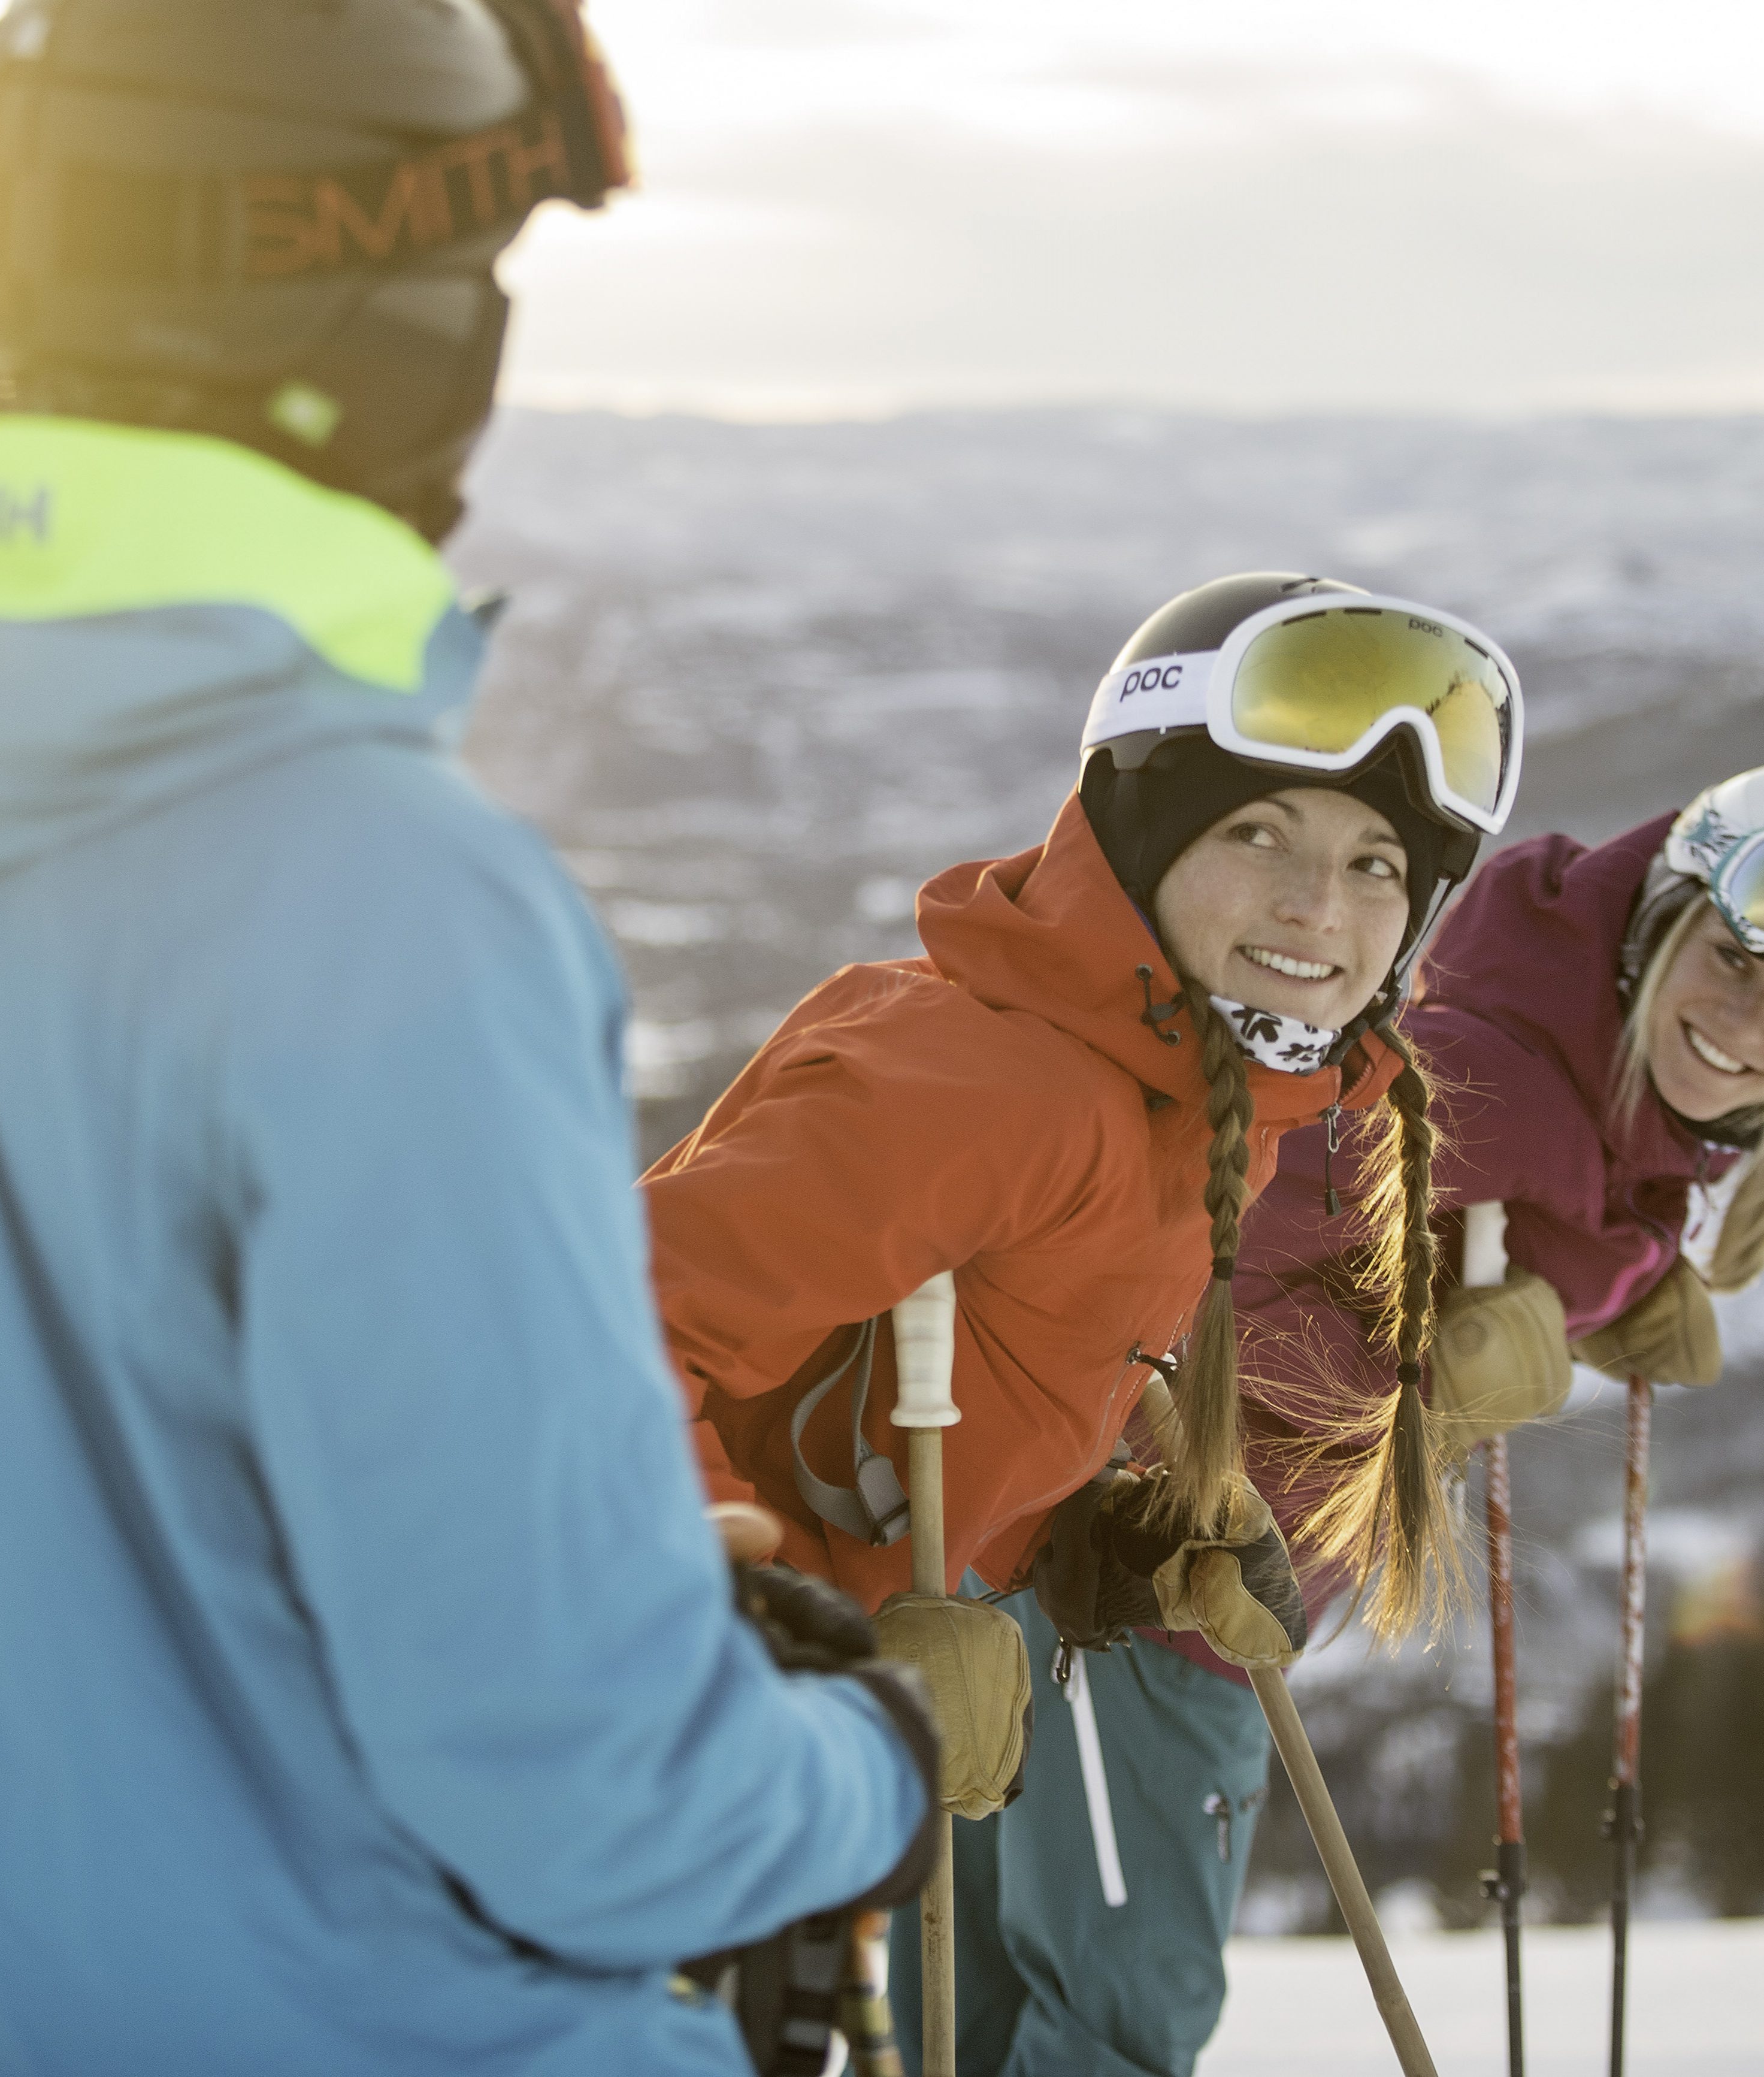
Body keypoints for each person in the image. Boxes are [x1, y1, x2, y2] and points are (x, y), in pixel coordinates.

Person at [0, 7, 931, 2072]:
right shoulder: (380, 891)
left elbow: (89, 1572)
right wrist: (861, 1762)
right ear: (397, 315)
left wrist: (626, 1601)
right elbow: (600, 1806)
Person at [640, 573, 1527, 2073]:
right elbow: (578, 1360)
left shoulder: (1172, 1091)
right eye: (1259, 833)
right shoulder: (996, 1087)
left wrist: (1101, 1537)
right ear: (1138, 830)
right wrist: (775, 1644)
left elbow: (931, 1389)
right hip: (632, 1751)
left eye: (1380, 861)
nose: (1322, 907)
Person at [1018, 760, 1764, 2073]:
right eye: (1735, 958)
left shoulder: (1598, 1079)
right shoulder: (1485, 1075)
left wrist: (1587, 1298)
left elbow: (1488, 1214)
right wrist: (1411, 1356)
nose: (1755, 1019)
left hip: (1142, 1582)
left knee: (1018, 1996)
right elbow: (1198, 1255)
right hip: (1147, 1585)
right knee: (1116, 2017)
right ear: (1663, 917)